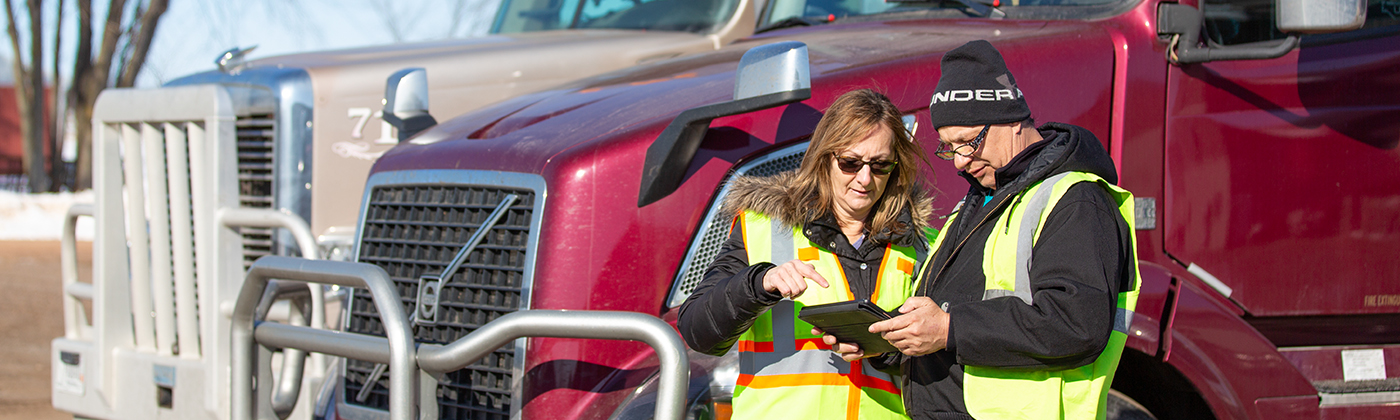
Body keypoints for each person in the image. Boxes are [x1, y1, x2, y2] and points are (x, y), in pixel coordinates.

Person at [827, 40, 1142, 420]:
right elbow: (954, 313)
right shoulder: (979, 203)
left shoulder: (1075, 199)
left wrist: (949, 329)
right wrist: (891, 341)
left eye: (967, 142)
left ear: (1012, 121)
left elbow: (1076, 324)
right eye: (948, 148)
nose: (960, 162)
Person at [678, 88, 936, 419]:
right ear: (824, 157)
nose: (865, 178)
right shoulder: (763, 227)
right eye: (850, 162)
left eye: (881, 165)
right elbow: (698, 332)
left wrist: (885, 351)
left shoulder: (924, 244)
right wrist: (759, 284)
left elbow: (941, 366)